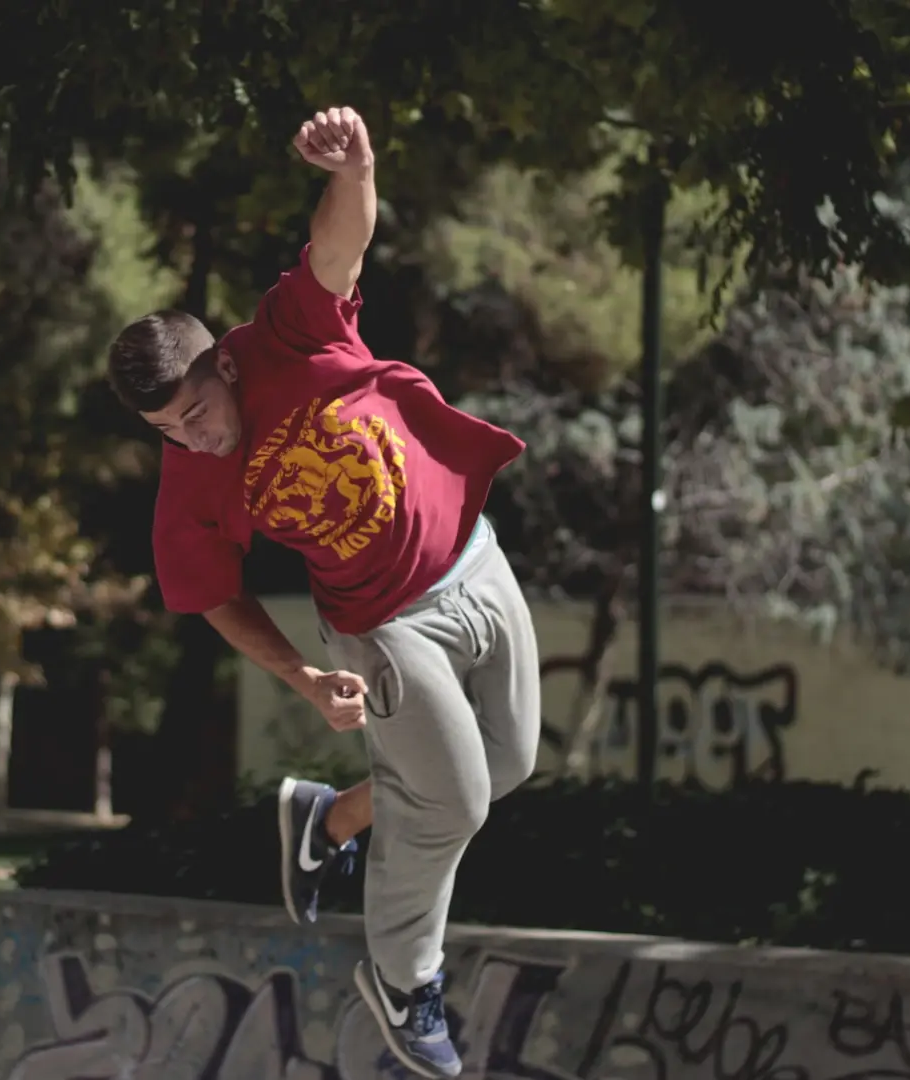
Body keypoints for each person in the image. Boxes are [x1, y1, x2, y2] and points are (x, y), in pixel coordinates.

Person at [103, 105, 542, 1080]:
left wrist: (356, 168)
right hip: (383, 627)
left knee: (505, 768)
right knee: (457, 801)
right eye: (168, 433)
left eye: (198, 414)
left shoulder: (288, 339)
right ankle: (402, 979)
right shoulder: (190, 482)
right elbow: (212, 594)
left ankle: (329, 820)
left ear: (224, 362)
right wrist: (303, 676)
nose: (194, 441)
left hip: (477, 561)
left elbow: (340, 248)